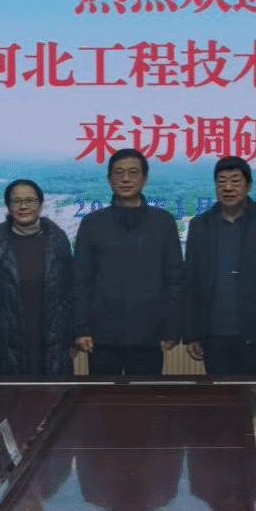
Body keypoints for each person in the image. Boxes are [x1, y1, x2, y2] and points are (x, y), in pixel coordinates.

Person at [183, 156, 256, 375]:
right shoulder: (200, 225)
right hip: (214, 335)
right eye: (221, 182)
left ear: (249, 185)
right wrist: (191, 334)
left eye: (235, 181)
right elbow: (190, 283)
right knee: (221, 395)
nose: (228, 188)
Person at [73, 148, 183, 375]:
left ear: (144, 178)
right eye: (119, 172)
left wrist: (172, 328)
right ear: (109, 179)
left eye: (133, 173)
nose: (125, 179)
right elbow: (81, 280)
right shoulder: (92, 223)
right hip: (102, 336)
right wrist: (81, 328)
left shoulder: (163, 223)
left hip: (149, 335)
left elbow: (174, 280)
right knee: (102, 396)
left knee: (144, 396)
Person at [0, 179, 74, 376]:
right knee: (12, 393)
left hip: (53, 336)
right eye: (16, 201)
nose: (23, 206)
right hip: (7, 339)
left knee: (53, 391)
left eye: (30, 200)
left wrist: (74, 337)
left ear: (40, 205)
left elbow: (72, 291)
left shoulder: (58, 238)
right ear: (8, 207)